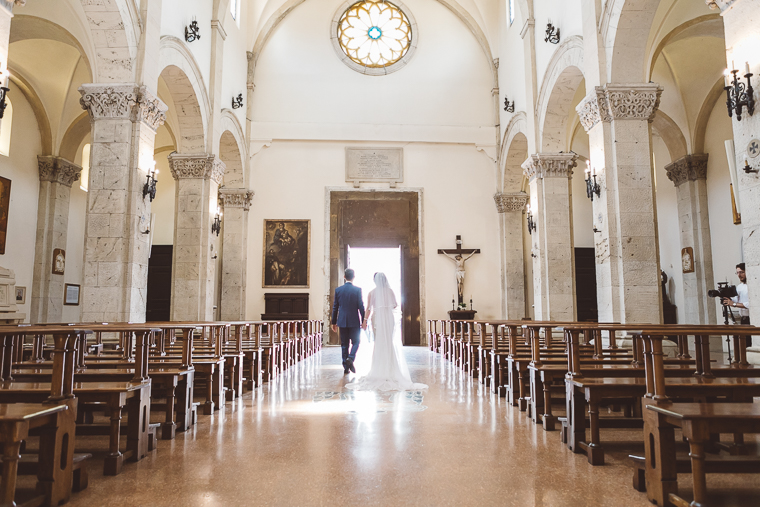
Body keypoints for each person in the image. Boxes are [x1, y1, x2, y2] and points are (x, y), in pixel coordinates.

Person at [347, 272, 428, 392]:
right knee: (388, 342)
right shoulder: (390, 291)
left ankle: (379, 370)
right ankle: (390, 370)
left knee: (379, 343)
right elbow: (395, 305)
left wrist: (364, 321)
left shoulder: (372, 293)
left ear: (375, 281)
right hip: (388, 319)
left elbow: (369, 308)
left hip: (377, 319)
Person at [331, 268, 365, 374]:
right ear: (353, 277)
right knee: (356, 342)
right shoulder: (357, 290)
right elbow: (361, 306)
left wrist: (333, 322)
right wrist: (364, 320)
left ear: (344, 277)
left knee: (344, 344)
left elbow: (335, 307)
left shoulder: (338, 290)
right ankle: (350, 358)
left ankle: (346, 367)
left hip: (342, 321)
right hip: (354, 320)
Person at [723, 262, 751, 344]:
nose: (739, 275)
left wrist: (734, 304)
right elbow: (735, 299)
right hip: (743, 318)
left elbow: (750, 304)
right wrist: (727, 298)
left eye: (742, 272)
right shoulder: (740, 287)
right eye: (737, 273)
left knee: (751, 342)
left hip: (751, 318)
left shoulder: (752, 285)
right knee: (745, 343)